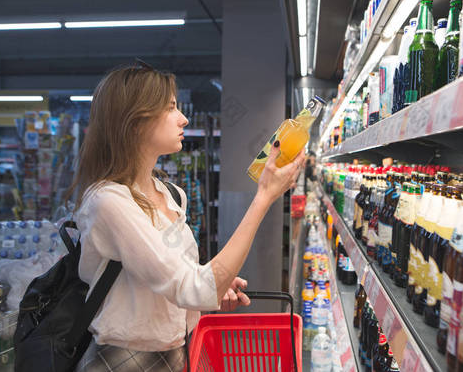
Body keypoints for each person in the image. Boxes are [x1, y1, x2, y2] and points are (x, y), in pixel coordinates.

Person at [70, 61, 304, 372]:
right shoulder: (108, 201)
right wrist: (264, 198)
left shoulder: (168, 194)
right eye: (170, 108)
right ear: (135, 122)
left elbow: (179, 281)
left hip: (177, 353)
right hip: (124, 362)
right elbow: (190, 285)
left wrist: (214, 291)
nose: (183, 118)